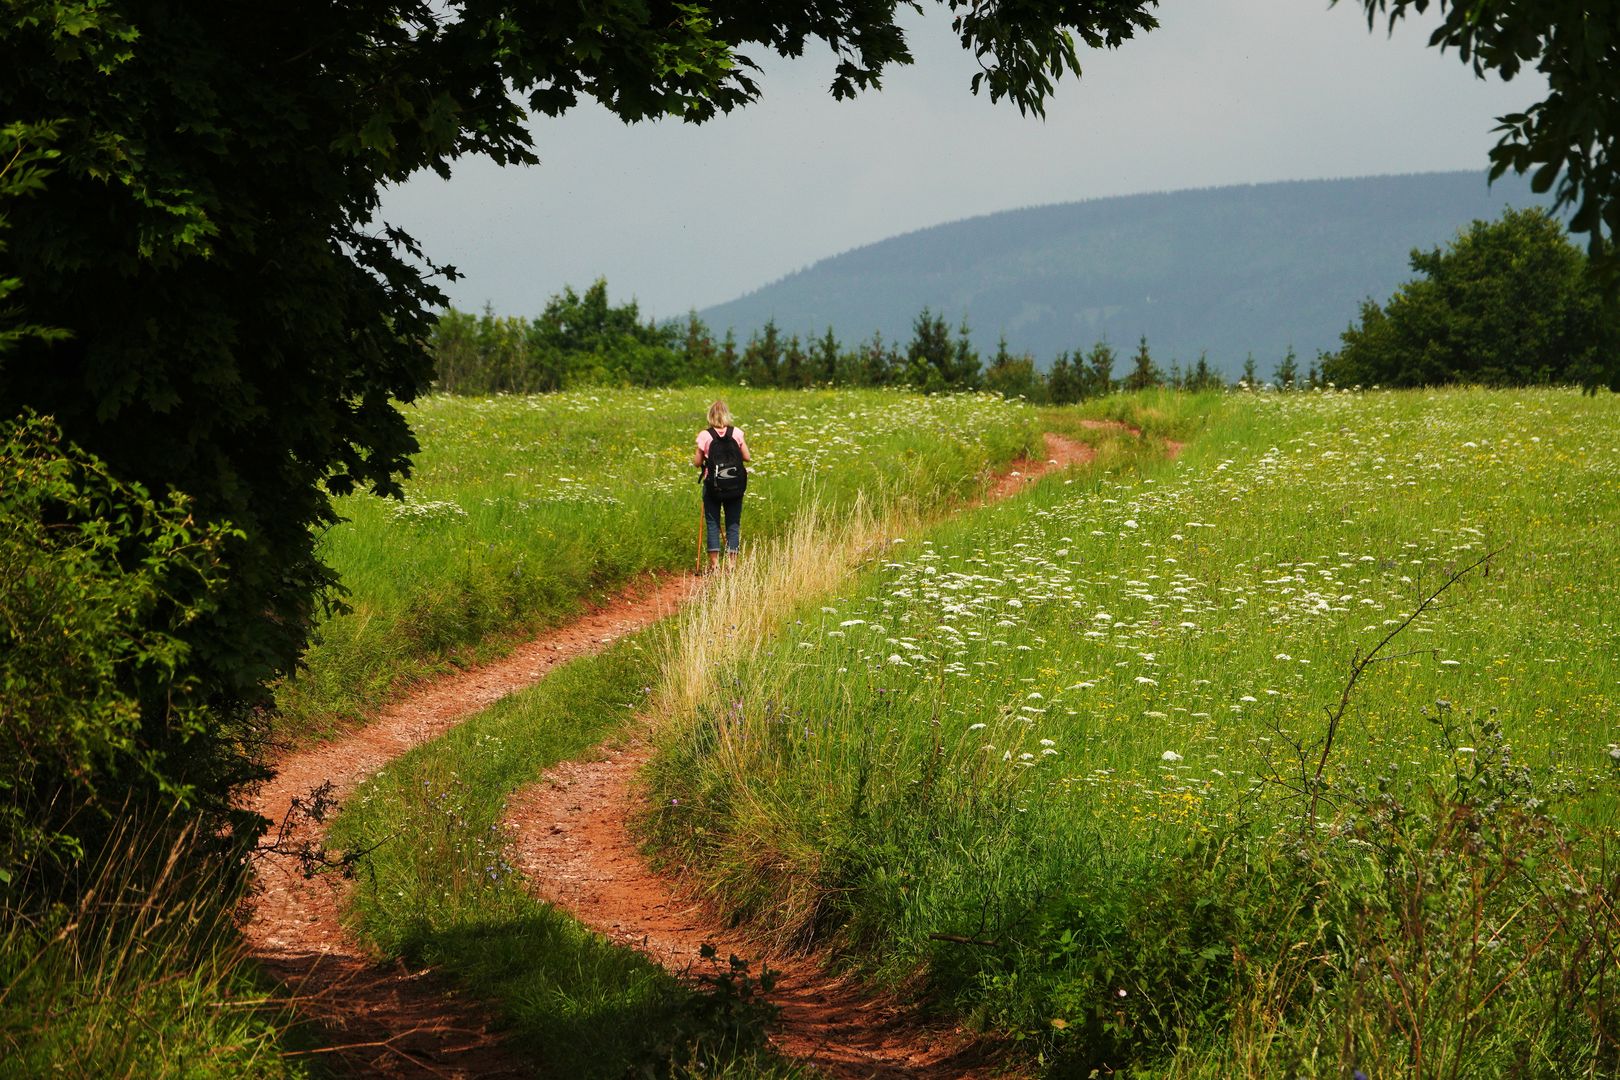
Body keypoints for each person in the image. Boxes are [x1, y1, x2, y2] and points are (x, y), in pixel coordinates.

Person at [693, 399, 750, 573]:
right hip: (735, 486)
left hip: (713, 487)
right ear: (727, 415)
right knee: (733, 523)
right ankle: (732, 565)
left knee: (713, 523)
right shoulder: (737, 433)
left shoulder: (705, 435)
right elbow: (747, 457)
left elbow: (697, 462)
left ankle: (715, 565)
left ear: (710, 416)